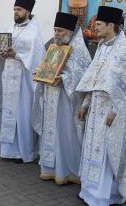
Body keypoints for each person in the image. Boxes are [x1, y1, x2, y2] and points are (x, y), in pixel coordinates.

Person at [76, 6, 126, 206]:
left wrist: (116, 111)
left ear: (111, 25)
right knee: (92, 148)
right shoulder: (102, 46)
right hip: (96, 105)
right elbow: (93, 77)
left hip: (111, 109)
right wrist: (85, 104)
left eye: (98, 25)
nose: (95, 28)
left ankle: (102, 196)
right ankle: (88, 190)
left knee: (106, 150)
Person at [32, 12, 92, 184]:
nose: (56, 34)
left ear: (70, 32)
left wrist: (64, 79)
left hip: (67, 101)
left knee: (66, 134)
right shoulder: (54, 46)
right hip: (51, 97)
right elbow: (46, 65)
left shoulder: (80, 51)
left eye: (60, 30)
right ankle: (50, 169)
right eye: (55, 30)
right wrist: (40, 73)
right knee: (52, 132)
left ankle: (67, 171)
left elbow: (83, 76)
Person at [0, 0, 45, 163]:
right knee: (9, 112)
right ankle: (9, 150)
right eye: (14, 9)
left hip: (24, 81)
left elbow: (37, 58)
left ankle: (24, 151)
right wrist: (1, 52)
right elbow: (2, 47)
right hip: (9, 76)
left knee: (23, 114)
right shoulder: (12, 27)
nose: (15, 12)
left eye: (19, 10)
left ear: (28, 11)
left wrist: (17, 55)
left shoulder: (34, 33)